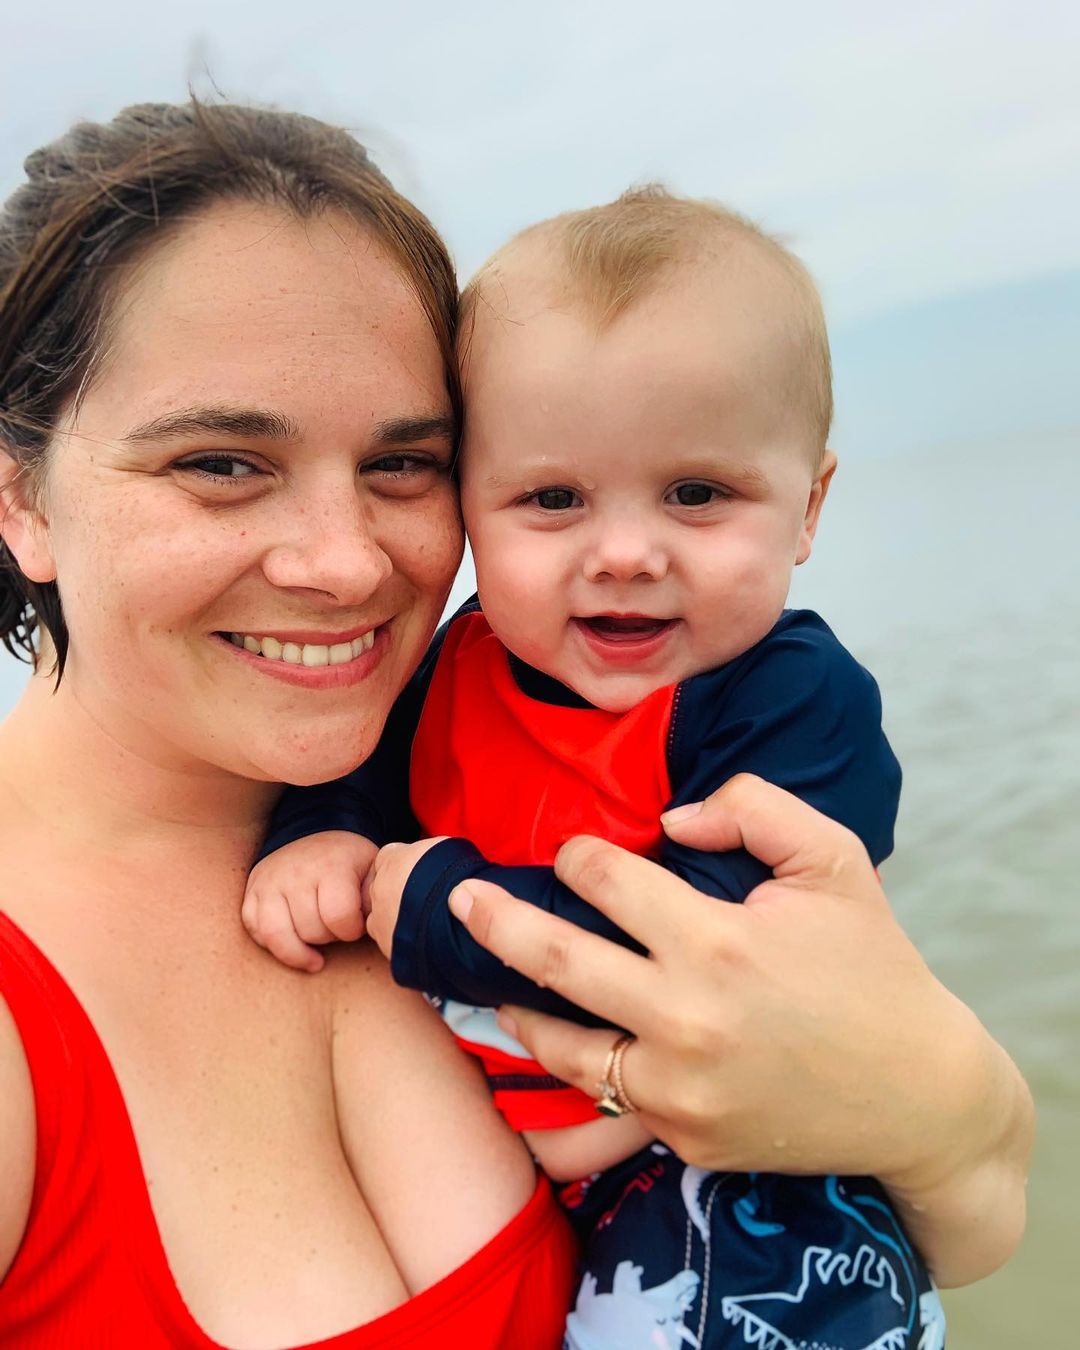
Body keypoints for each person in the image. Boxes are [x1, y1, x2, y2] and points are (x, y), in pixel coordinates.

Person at [0, 101, 1031, 1350]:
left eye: (404, 464)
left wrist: (960, 1117)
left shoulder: (454, 781)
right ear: (21, 498)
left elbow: (964, 1225)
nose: (346, 562)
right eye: (220, 463)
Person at [241, 190, 932, 1347]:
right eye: (552, 499)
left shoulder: (793, 701)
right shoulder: (455, 662)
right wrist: (319, 837)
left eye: (698, 494)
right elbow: (358, 777)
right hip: (536, 1177)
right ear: (467, 509)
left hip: (746, 1172)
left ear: (808, 506)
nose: (623, 553)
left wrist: (441, 911)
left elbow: (719, 944)